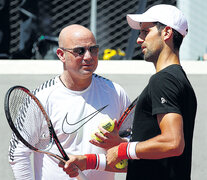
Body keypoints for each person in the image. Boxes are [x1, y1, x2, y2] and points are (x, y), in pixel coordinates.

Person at [61, 4, 197, 180]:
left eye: (145, 32)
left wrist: (122, 148)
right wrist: (88, 161)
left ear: (167, 33)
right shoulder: (179, 81)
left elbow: (173, 142)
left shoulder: (163, 81)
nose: (139, 39)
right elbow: (147, 161)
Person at [8, 24, 131, 180]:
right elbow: (18, 153)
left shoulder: (115, 91)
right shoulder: (41, 97)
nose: (88, 56)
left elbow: (132, 139)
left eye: (93, 49)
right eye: (79, 51)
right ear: (61, 55)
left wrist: (120, 141)